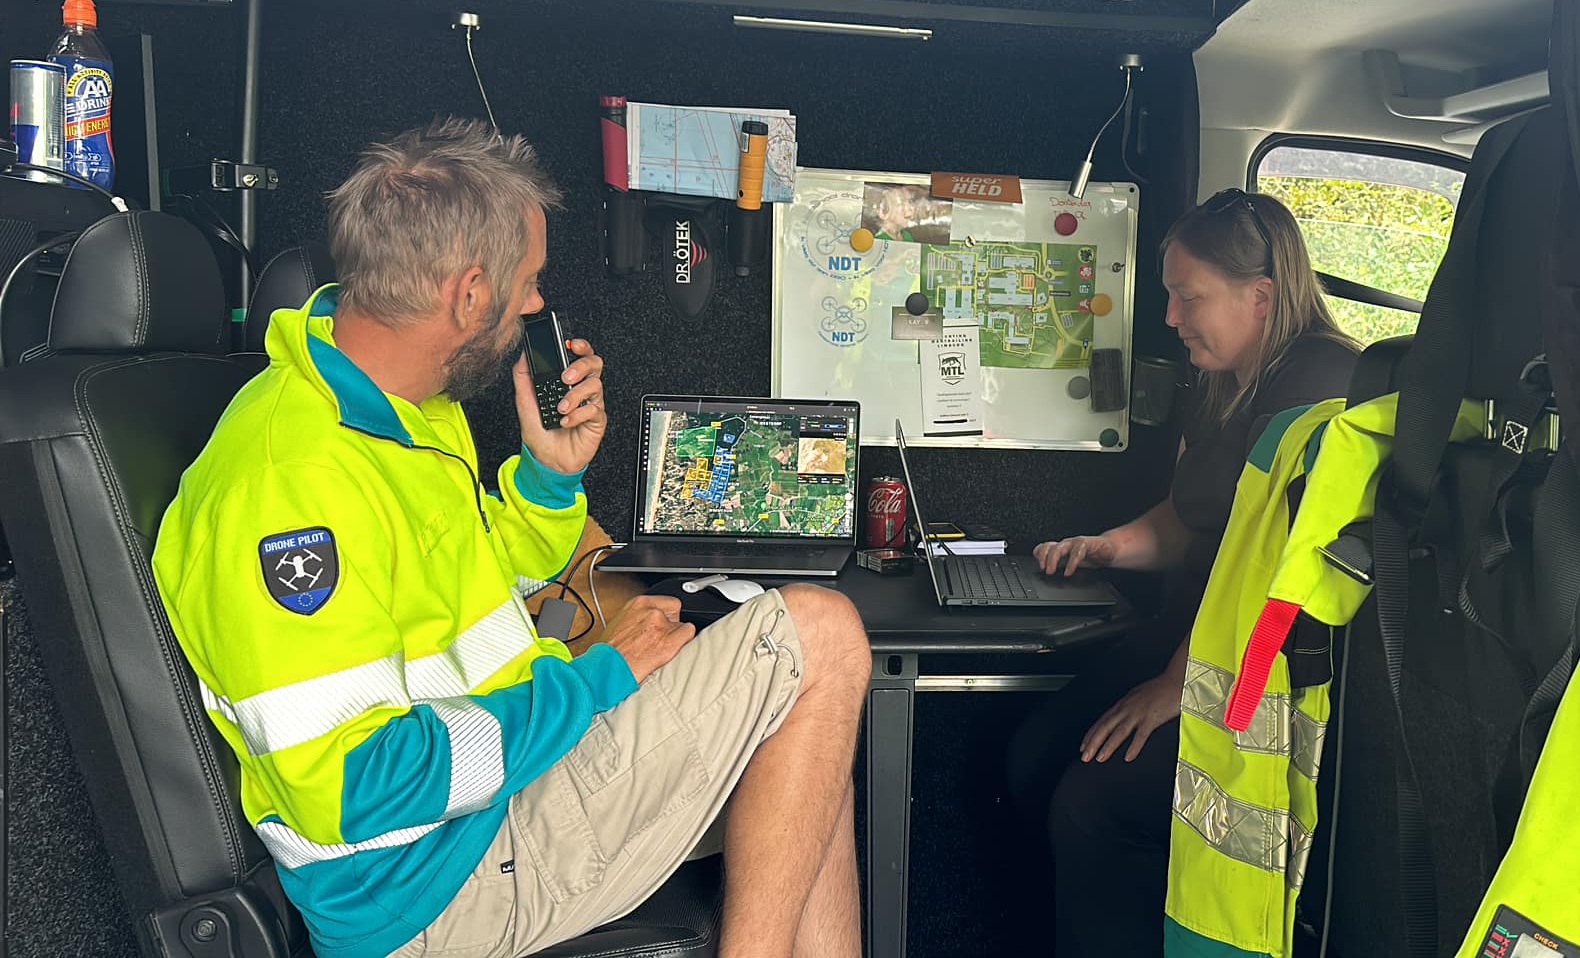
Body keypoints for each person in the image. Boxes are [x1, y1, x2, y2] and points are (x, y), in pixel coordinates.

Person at [152, 119, 870, 958]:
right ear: (467, 294)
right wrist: (598, 681)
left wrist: (549, 476)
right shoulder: (287, 485)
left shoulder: (400, 414)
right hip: (432, 888)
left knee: (808, 744)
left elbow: (486, 584)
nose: (536, 305)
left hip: (496, 804)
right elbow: (349, 788)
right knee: (822, 637)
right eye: (528, 283)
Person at [1009, 189, 1361, 958]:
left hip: (1260, 669)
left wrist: (1180, 683)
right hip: (1195, 633)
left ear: (1259, 297)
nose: (1170, 318)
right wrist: (1105, 546)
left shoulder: (1323, 394)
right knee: (1032, 756)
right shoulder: (1234, 380)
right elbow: (1189, 517)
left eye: (1185, 296)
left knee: (1096, 805)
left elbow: (1292, 582)